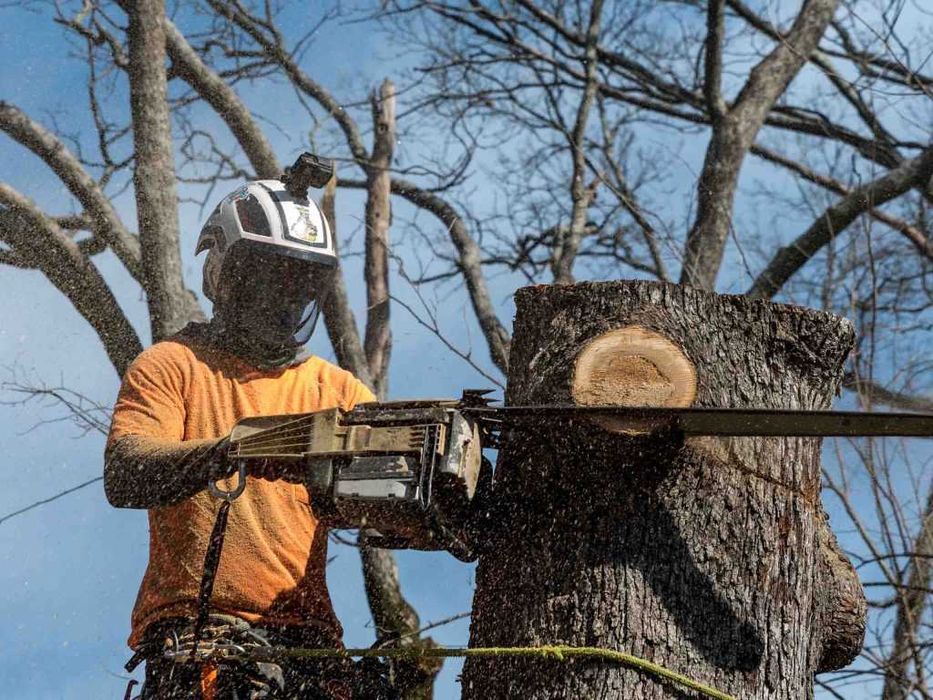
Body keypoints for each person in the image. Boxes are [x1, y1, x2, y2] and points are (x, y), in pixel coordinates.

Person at [105, 178, 381, 699]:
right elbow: (127, 471)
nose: (284, 297)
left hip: (311, 646)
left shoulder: (336, 389)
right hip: (202, 639)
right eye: (269, 279)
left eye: (298, 283)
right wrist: (235, 449)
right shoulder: (174, 366)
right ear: (224, 275)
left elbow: (393, 492)